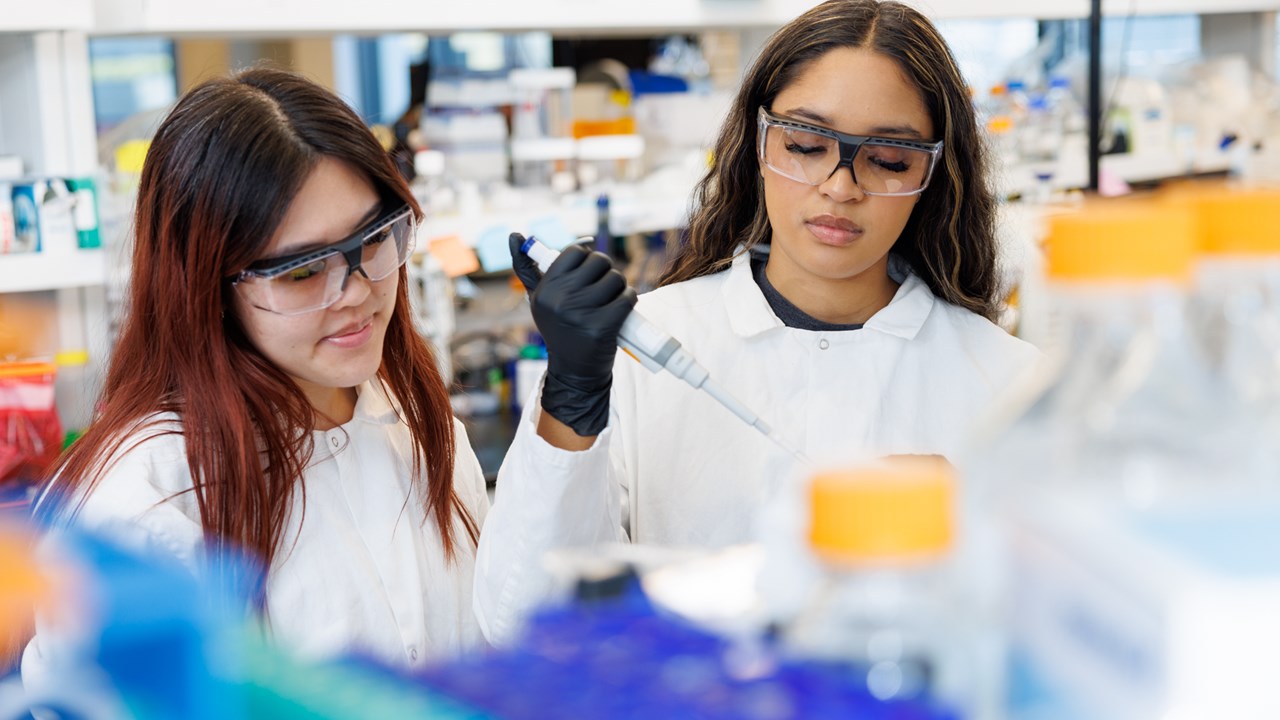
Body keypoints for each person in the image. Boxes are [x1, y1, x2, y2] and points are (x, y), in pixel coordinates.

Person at [475, 0, 1041, 642]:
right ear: (759, 143)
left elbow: (1063, 641)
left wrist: (977, 527)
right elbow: (518, 622)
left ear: (934, 176)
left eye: (888, 159)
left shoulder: (1011, 386)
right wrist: (571, 397)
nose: (840, 186)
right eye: (805, 143)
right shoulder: (647, 348)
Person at [21, 67, 489, 688]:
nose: (356, 293)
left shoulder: (425, 433)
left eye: (373, 240)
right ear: (207, 288)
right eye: (300, 271)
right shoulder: (147, 502)